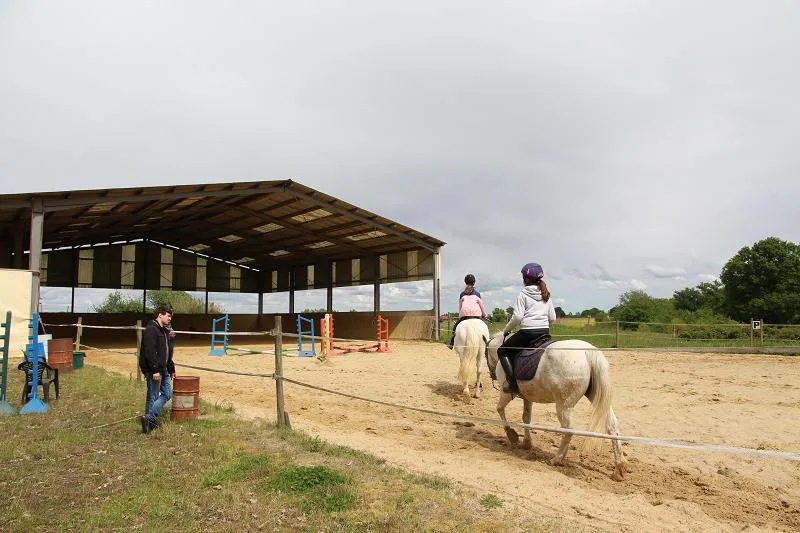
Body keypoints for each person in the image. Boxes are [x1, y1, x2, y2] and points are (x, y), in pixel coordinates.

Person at [497, 263, 556, 394]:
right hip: (544, 333)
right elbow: (552, 318)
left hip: (528, 333)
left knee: (502, 351)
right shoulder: (546, 294)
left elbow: (517, 317)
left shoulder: (522, 294)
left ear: (526, 279)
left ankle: (512, 384)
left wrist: (506, 330)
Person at [138, 306, 175, 434]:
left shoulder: (163, 331)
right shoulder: (151, 330)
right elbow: (149, 351)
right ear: (160, 315)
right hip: (154, 369)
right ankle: (149, 423)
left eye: (170, 316)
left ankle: (149, 418)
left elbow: (166, 351)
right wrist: (154, 370)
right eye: (168, 316)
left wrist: (171, 366)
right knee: (153, 395)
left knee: (167, 393)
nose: (170, 319)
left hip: (163, 368)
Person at [448, 273, 487, 349]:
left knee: (455, 328)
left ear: (465, 282)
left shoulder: (462, 294)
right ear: (474, 282)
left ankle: (451, 342)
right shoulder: (477, 294)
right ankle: (486, 343)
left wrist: (460, 316)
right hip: (476, 316)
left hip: (464, 316)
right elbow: (481, 306)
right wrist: (484, 315)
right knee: (484, 327)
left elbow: (460, 307)